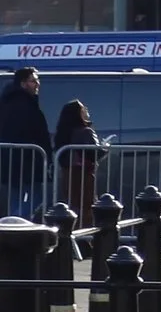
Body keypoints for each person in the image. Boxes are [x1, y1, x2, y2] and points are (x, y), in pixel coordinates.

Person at [0, 68, 50, 219]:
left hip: (12, 162)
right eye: (33, 81)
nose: (37, 84)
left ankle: (11, 233)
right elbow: (33, 132)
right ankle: (15, 226)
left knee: (17, 199)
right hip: (27, 162)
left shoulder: (8, 103)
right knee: (36, 197)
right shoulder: (25, 106)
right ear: (23, 84)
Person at [54, 100, 98, 223]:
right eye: (84, 109)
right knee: (87, 207)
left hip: (68, 172)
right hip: (84, 173)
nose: (87, 111)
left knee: (72, 206)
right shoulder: (85, 131)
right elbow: (94, 153)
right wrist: (104, 149)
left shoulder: (63, 133)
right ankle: (85, 239)